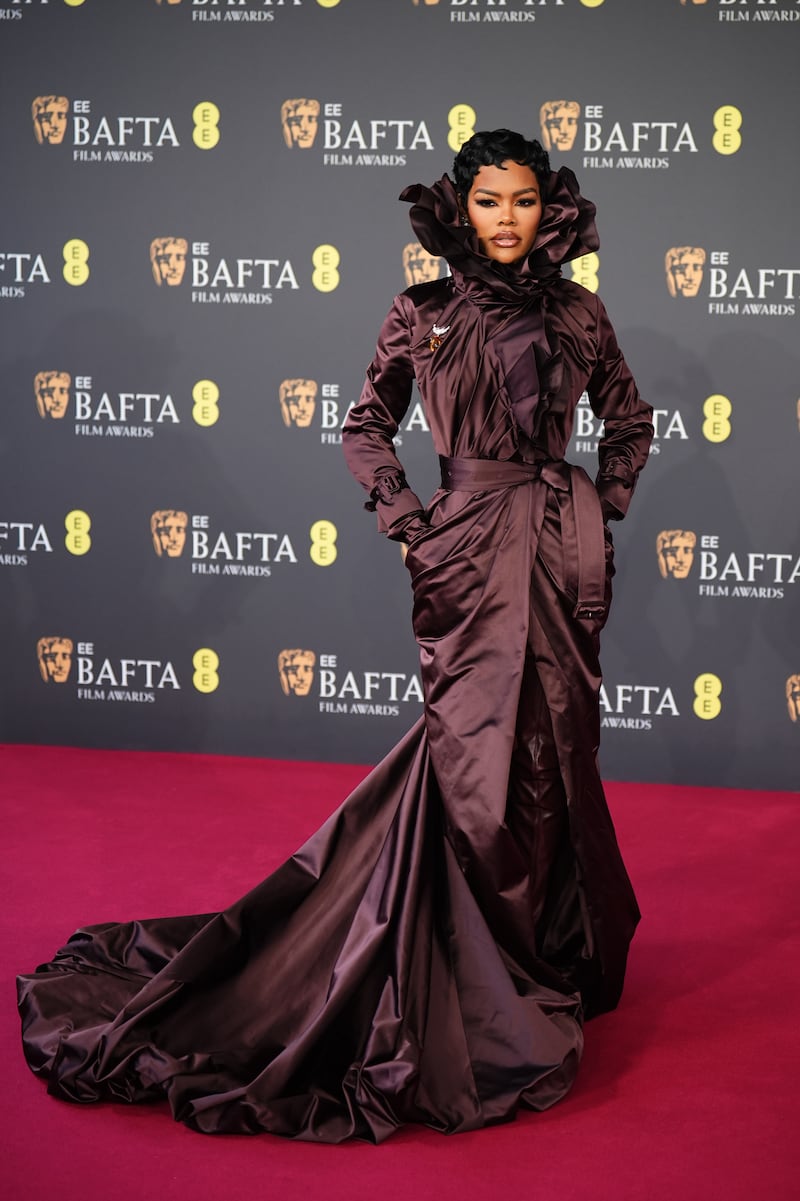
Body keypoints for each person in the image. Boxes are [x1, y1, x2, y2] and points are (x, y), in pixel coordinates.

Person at [17, 130, 652, 1144]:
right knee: (469, 756)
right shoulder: (423, 312)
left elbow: (628, 420)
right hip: (464, 550)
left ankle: (533, 953)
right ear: (461, 208)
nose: (504, 218)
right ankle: (460, 969)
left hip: (557, 556)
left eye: (522, 201)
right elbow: (365, 424)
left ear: (548, 211)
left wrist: (596, 499)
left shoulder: (580, 312)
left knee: (547, 750)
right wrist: (410, 522)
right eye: (487, 200)